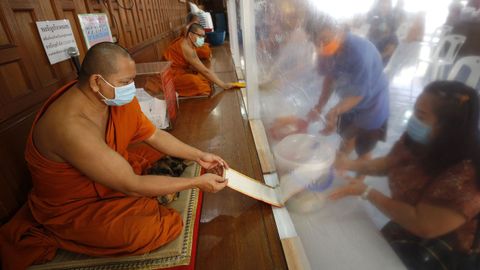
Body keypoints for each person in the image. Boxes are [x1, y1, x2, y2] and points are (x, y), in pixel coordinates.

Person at [0, 42, 229, 270]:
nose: (131, 88)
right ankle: (64, 233)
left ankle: (141, 194)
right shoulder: (69, 127)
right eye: (125, 82)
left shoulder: (109, 98)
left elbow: (154, 135)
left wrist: (200, 154)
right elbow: (133, 184)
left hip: (109, 174)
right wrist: (195, 182)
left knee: (154, 153)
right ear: (96, 82)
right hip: (75, 206)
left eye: (131, 80)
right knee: (157, 226)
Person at [330, 81, 480, 269]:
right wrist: (349, 164)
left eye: (420, 115)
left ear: (448, 126)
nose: (412, 120)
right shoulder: (420, 139)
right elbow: (390, 163)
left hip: (437, 250)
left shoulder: (466, 177)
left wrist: (368, 192)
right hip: (404, 224)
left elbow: (423, 224)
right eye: (415, 110)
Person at [305, 13, 390, 179]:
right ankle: (341, 164)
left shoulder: (360, 53)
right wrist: (320, 106)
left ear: (339, 30)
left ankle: (358, 182)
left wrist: (335, 111)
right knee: (345, 139)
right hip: (348, 103)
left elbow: (358, 95)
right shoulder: (325, 49)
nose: (321, 45)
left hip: (372, 107)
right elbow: (329, 79)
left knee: (363, 148)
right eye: (316, 41)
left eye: (325, 39)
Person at [164, 23, 234, 97]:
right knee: (197, 83)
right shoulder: (186, 48)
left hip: (182, 71)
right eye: (200, 36)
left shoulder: (190, 44)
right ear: (190, 35)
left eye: (203, 36)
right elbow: (204, 71)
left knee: (205, 78)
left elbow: (200, 66)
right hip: (170, 76)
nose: (202, 39)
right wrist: (223, 85)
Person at [366, 0, 402, 65]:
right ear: (379, 4)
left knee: (393, 38)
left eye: (386, 3)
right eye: (382, 3)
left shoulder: (393, 17)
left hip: (386, 39)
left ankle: (379, 57)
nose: (384, 5)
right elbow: (368, 27)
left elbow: (393, 30)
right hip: (374, 38)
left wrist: (387, 32)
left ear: (390, 5)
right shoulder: (372, 14)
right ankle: (376, 58)